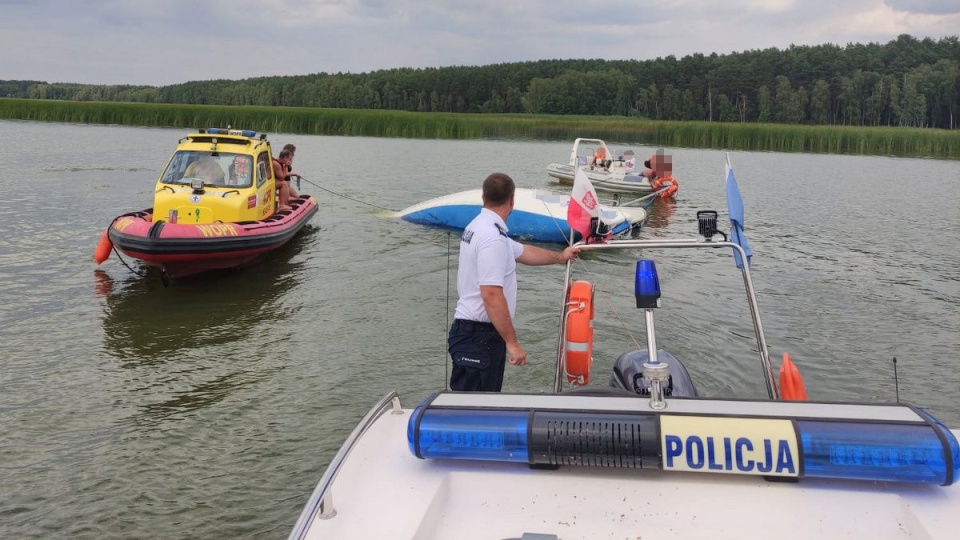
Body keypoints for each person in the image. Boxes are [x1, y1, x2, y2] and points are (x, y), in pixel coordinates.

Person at [448, 173, 580, 392]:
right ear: (512, 200)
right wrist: (512, 343)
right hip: (478, 336)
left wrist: (561, 257)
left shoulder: (481, 226)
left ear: (483, 197)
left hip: (473, 333)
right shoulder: (492, 237)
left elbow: (523, 251)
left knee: (476, 407)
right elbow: (491, 294)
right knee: (476, 411)